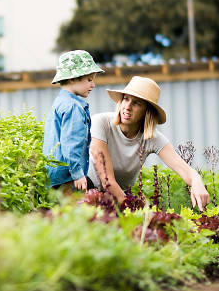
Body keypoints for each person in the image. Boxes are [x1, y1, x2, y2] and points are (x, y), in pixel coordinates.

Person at [87, 76, 210, 210]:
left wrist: (197, 181)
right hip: (87, 190)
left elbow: (183, 169)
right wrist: (133, 210)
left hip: (120, 196)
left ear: (147, 111)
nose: (127, 107)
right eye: (126, 99)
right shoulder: (101, 123)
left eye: (136, 103)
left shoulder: (152, 138)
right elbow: (107, 180)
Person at [43, 50, 104, 192]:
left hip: (54, 174)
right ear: (72, 78)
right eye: (89, 79)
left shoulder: (60, 102)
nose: (93, 84)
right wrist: (78, 175)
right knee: (74, 211)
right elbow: (71, 144)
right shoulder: (73, 108)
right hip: (67, 176)